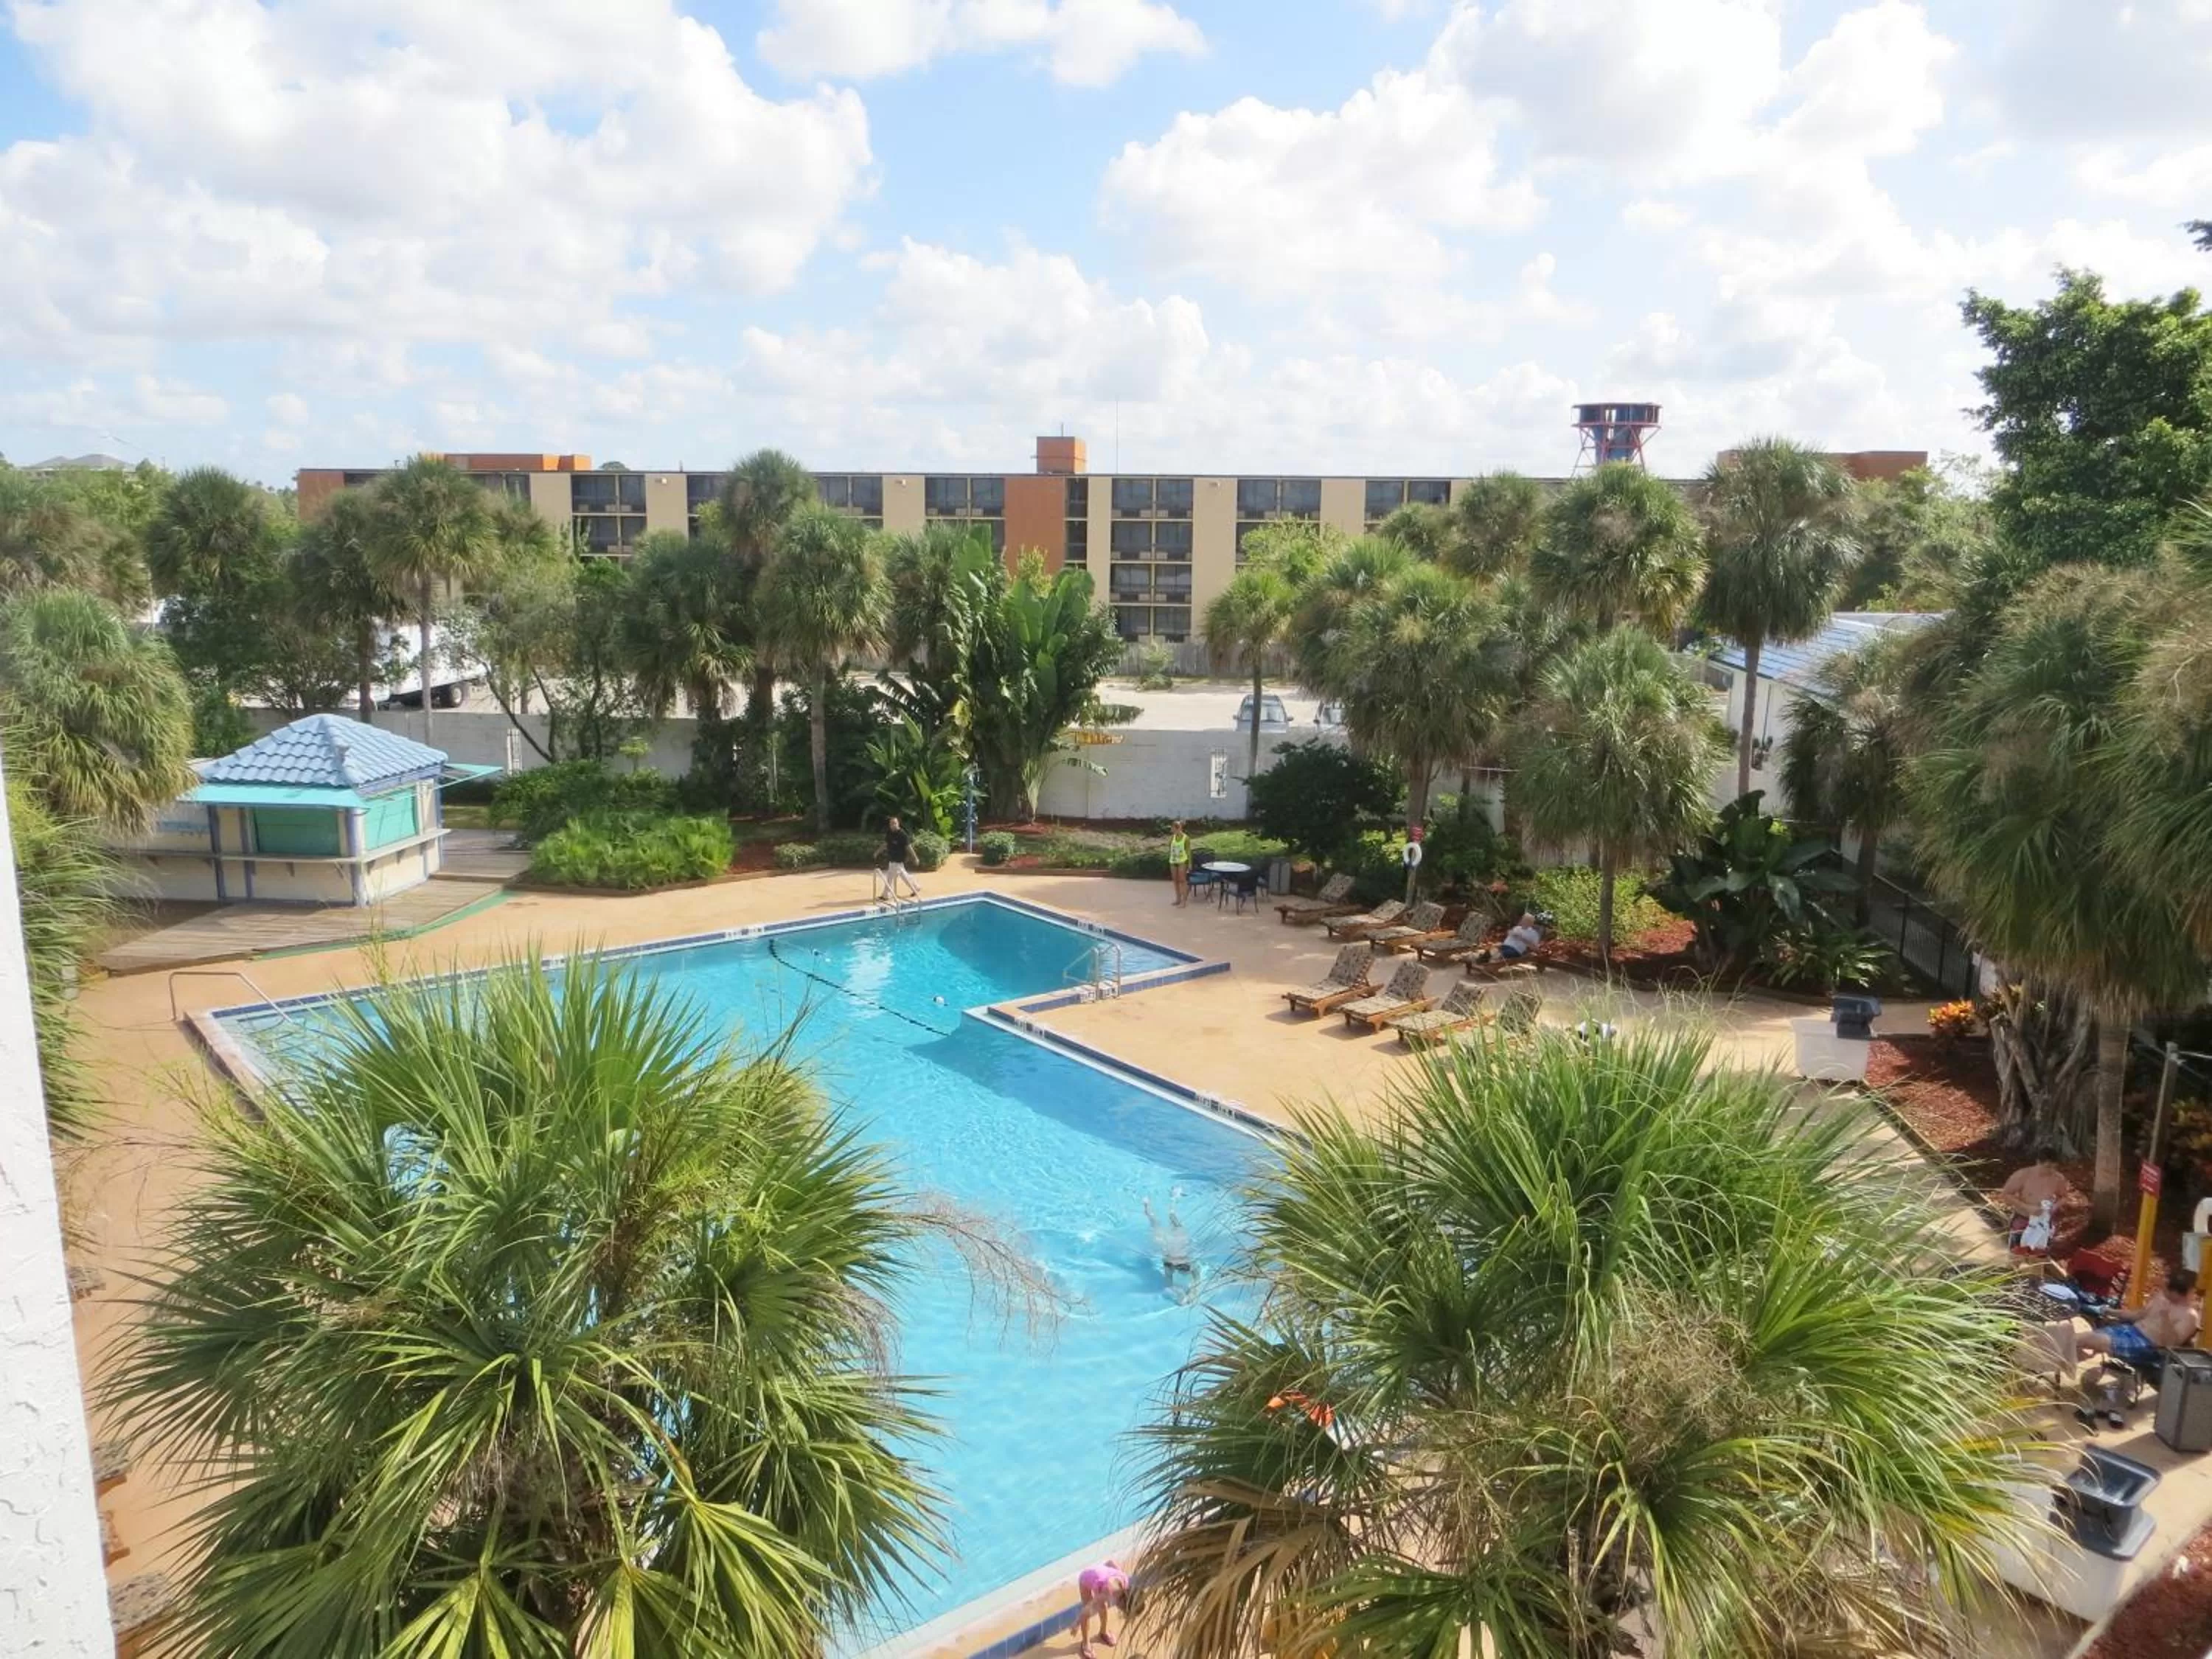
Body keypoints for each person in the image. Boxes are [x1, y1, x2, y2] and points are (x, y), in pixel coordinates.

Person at [2079, 1270, 2200, 1366]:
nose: (2162, 1290)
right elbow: (2138, 1315)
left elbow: (2172, 1344)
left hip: (2148, 1346)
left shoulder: (2189, 1316)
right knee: (2084, 1339)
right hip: (2130, 1331)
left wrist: (2165, 1317)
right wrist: (2109, 1311)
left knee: (2090, 1339)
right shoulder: (2162, 1298)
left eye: (2166, 1288)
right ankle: (2063, 1359)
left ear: (2176, 1292)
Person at [1997, 1144, 2071, 1250]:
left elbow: (2064, 1197)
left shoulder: (2058, 1178)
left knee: (2039, 1256)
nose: (2051, 1170)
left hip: (2043, 1222)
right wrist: (2027, 1207)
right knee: (2017, 1254)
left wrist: (2054, 1207)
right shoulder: (2023, 1175)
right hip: (2023, 1218)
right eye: (2048, 1167)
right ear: (2038, 1162)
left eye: (2054, 1167)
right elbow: (2005, 1194)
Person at [1144, 1193, 1197, 1297]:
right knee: (1164, 1220)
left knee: (1155, 1223)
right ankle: (1169, 1202)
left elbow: (1169, 1286)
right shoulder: (1181, 1233)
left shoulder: (1165, 1239)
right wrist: (1191, 1292)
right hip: (1178, 1257)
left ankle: (1148, 1206)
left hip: (1169, 1255)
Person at [1076, 1557, 1129, 1656]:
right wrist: (1076, 1624)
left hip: (1100, 1579)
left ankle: (1103, 1632)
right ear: (1120, 1603)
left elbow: (1110, 1562)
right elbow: (1086, 1611)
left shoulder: (1125, 1580)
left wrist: (1104, 1571)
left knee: (1104, 1606)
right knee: (1089, 1610)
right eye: (1121, 1608)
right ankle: (1085, 1643)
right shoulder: (1107, 1593)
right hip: (1086, 1579)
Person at [878, 815, 920, 902]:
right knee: (903, 876)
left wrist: (915, 858)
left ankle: (886, 895)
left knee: (890, 876)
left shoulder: (902, 835)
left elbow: (909, 847)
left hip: (898, 859)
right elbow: (886, 843)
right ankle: (916, 887)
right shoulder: (889, 832)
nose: (893, 825)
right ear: (889, 825)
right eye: (891, 824)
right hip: (892, 858)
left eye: (895, 823)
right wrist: (877, 852)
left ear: (898, 824)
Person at [1167, 821, 1190, 907]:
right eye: (1172, 828)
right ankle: (1178, 899)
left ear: (1179, 828)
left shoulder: (1186, 838)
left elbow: (1188, 851)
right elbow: (1169, 846)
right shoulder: (1172, 837)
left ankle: (1184, 902)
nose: (1172, 830)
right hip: (1173, 861)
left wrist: (1190, 864)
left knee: (1182, 880)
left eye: (1173, 828)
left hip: (1182, 861)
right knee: (1175, 881)